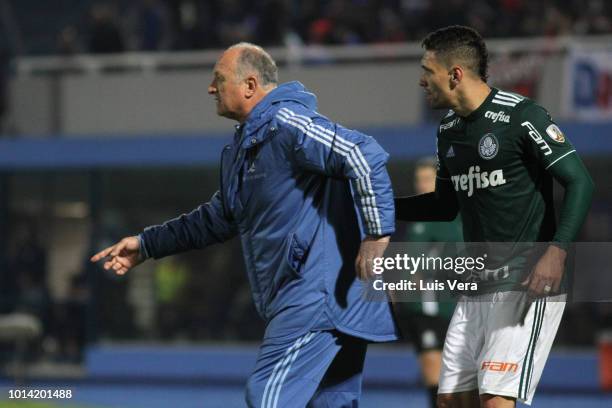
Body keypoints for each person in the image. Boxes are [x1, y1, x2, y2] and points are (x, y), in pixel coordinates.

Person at [91, 42, 397, 407]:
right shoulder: (245, 149)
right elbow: (216, 219)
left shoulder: (286, 123)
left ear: (250, 86)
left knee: (267, 396)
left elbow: (361, 154)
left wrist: (377, 235)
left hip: (317, 296)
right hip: (321, 299)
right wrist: (146, 245)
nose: (210, 88)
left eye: (218, 79)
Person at [395, 26, 594, 408]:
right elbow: (442, 206)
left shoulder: (523, 116)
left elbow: (581, 183)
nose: (421, 81)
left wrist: (557, 251)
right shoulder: (449, 131)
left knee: (496, 402)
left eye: (427, 70)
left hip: (526, 277)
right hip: (477, 284)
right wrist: (381, 204)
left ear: (455, 75)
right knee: (451, 400)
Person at [394, 157, 462, 408]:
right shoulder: (420, 216)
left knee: (452, 377)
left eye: (427, 179)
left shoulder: (454, 215)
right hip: (422, 307)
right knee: (433, 369)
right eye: (418, 180)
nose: (421, 185)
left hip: (450, 305)